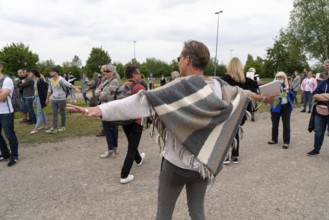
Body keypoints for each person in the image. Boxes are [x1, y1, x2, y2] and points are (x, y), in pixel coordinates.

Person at [67, 40, 275, 219]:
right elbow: (244, 93)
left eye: (179, 57)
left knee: (164, 213)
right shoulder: (220, 86)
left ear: (187, 60)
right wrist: (264, 97)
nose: (178, 61)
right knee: (197, 212)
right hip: (204, 163)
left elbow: (139, 103)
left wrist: (99, 109)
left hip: (176, 165)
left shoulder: (178, 88)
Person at [221, 57, 259, 164]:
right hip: (241, 111)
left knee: (226, 133)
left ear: (229, 67)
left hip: (228, 110)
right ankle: (235, 155)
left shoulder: (224, 80)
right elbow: (255, 86)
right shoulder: (245, 80)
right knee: (236, 130)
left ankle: (227, 157)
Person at [118, 66, 146, 184]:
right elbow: (146, 103)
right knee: (132, 147)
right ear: (134, 75)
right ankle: (124, 175)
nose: (140, 76)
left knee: (132, 142)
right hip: (136, 121)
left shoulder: (121, 87)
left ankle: (138, 159)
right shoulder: (139, 87)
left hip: (125, 120)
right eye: (139, 74)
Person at [95, 64, 120, 158]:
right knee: (108, 128)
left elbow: (104, 96)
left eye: (107, 71)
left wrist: (100, 93)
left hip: (111, 108)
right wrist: (100, 93)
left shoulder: (115, 81)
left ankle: (112, 149)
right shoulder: (105, 80)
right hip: (105, 107)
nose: (105, 73)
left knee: (112, 129)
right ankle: (113, 148)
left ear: (113, 72)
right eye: (105, 71)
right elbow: (96, 91)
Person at [45, 67, 80, 134]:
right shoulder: (50, 80)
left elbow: (68, 84)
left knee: (62, 113)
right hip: (54, 99)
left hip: (61, 99)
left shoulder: (61, 79)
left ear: (55, 72)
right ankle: (54, 128)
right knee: (54, 114)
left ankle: (63, 126)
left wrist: (75, 88)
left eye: (50, 72)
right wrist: (47, 98)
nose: (49, 73)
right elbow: (49, 90)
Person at [268, 71, 294, 149]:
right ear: (275, 78)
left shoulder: (287, 86)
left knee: (286, 125)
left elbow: (293, 95)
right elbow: (268, 96)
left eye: (281, 77)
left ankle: (286, 142)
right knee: (275, 124)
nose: (279, 78)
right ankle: (274, 139)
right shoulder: (272, 87)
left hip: (286, 107)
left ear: (284, 78)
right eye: (278, 77)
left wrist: (289, 91)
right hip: (275, 107)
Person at [0, 62, 19, 166]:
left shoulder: (7, 80)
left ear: (1, 68)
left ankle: (14, 155)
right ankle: (5, 153)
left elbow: (3, 97)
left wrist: (2, 94)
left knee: (9, 134)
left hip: (6, 112)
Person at [306, 74, 329, 156]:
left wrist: (321, 95)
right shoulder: (323, 83)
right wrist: (327, 96)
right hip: (320, 110)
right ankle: (316, 149)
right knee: (318, 131)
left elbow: (318, 95)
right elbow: (315, 95)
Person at [30, 69, 48, 134]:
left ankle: (36, 128)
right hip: (37, 98)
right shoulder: (34, 80)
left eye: (30, 73)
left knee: (39, 113)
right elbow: (36, 91)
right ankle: (44, 125)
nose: (29, 74)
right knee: (41, 112)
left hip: (40, 98)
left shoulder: (40, 80)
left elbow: (44, 91)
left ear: (34, 73)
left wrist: (46, 99)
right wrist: (35, 99)